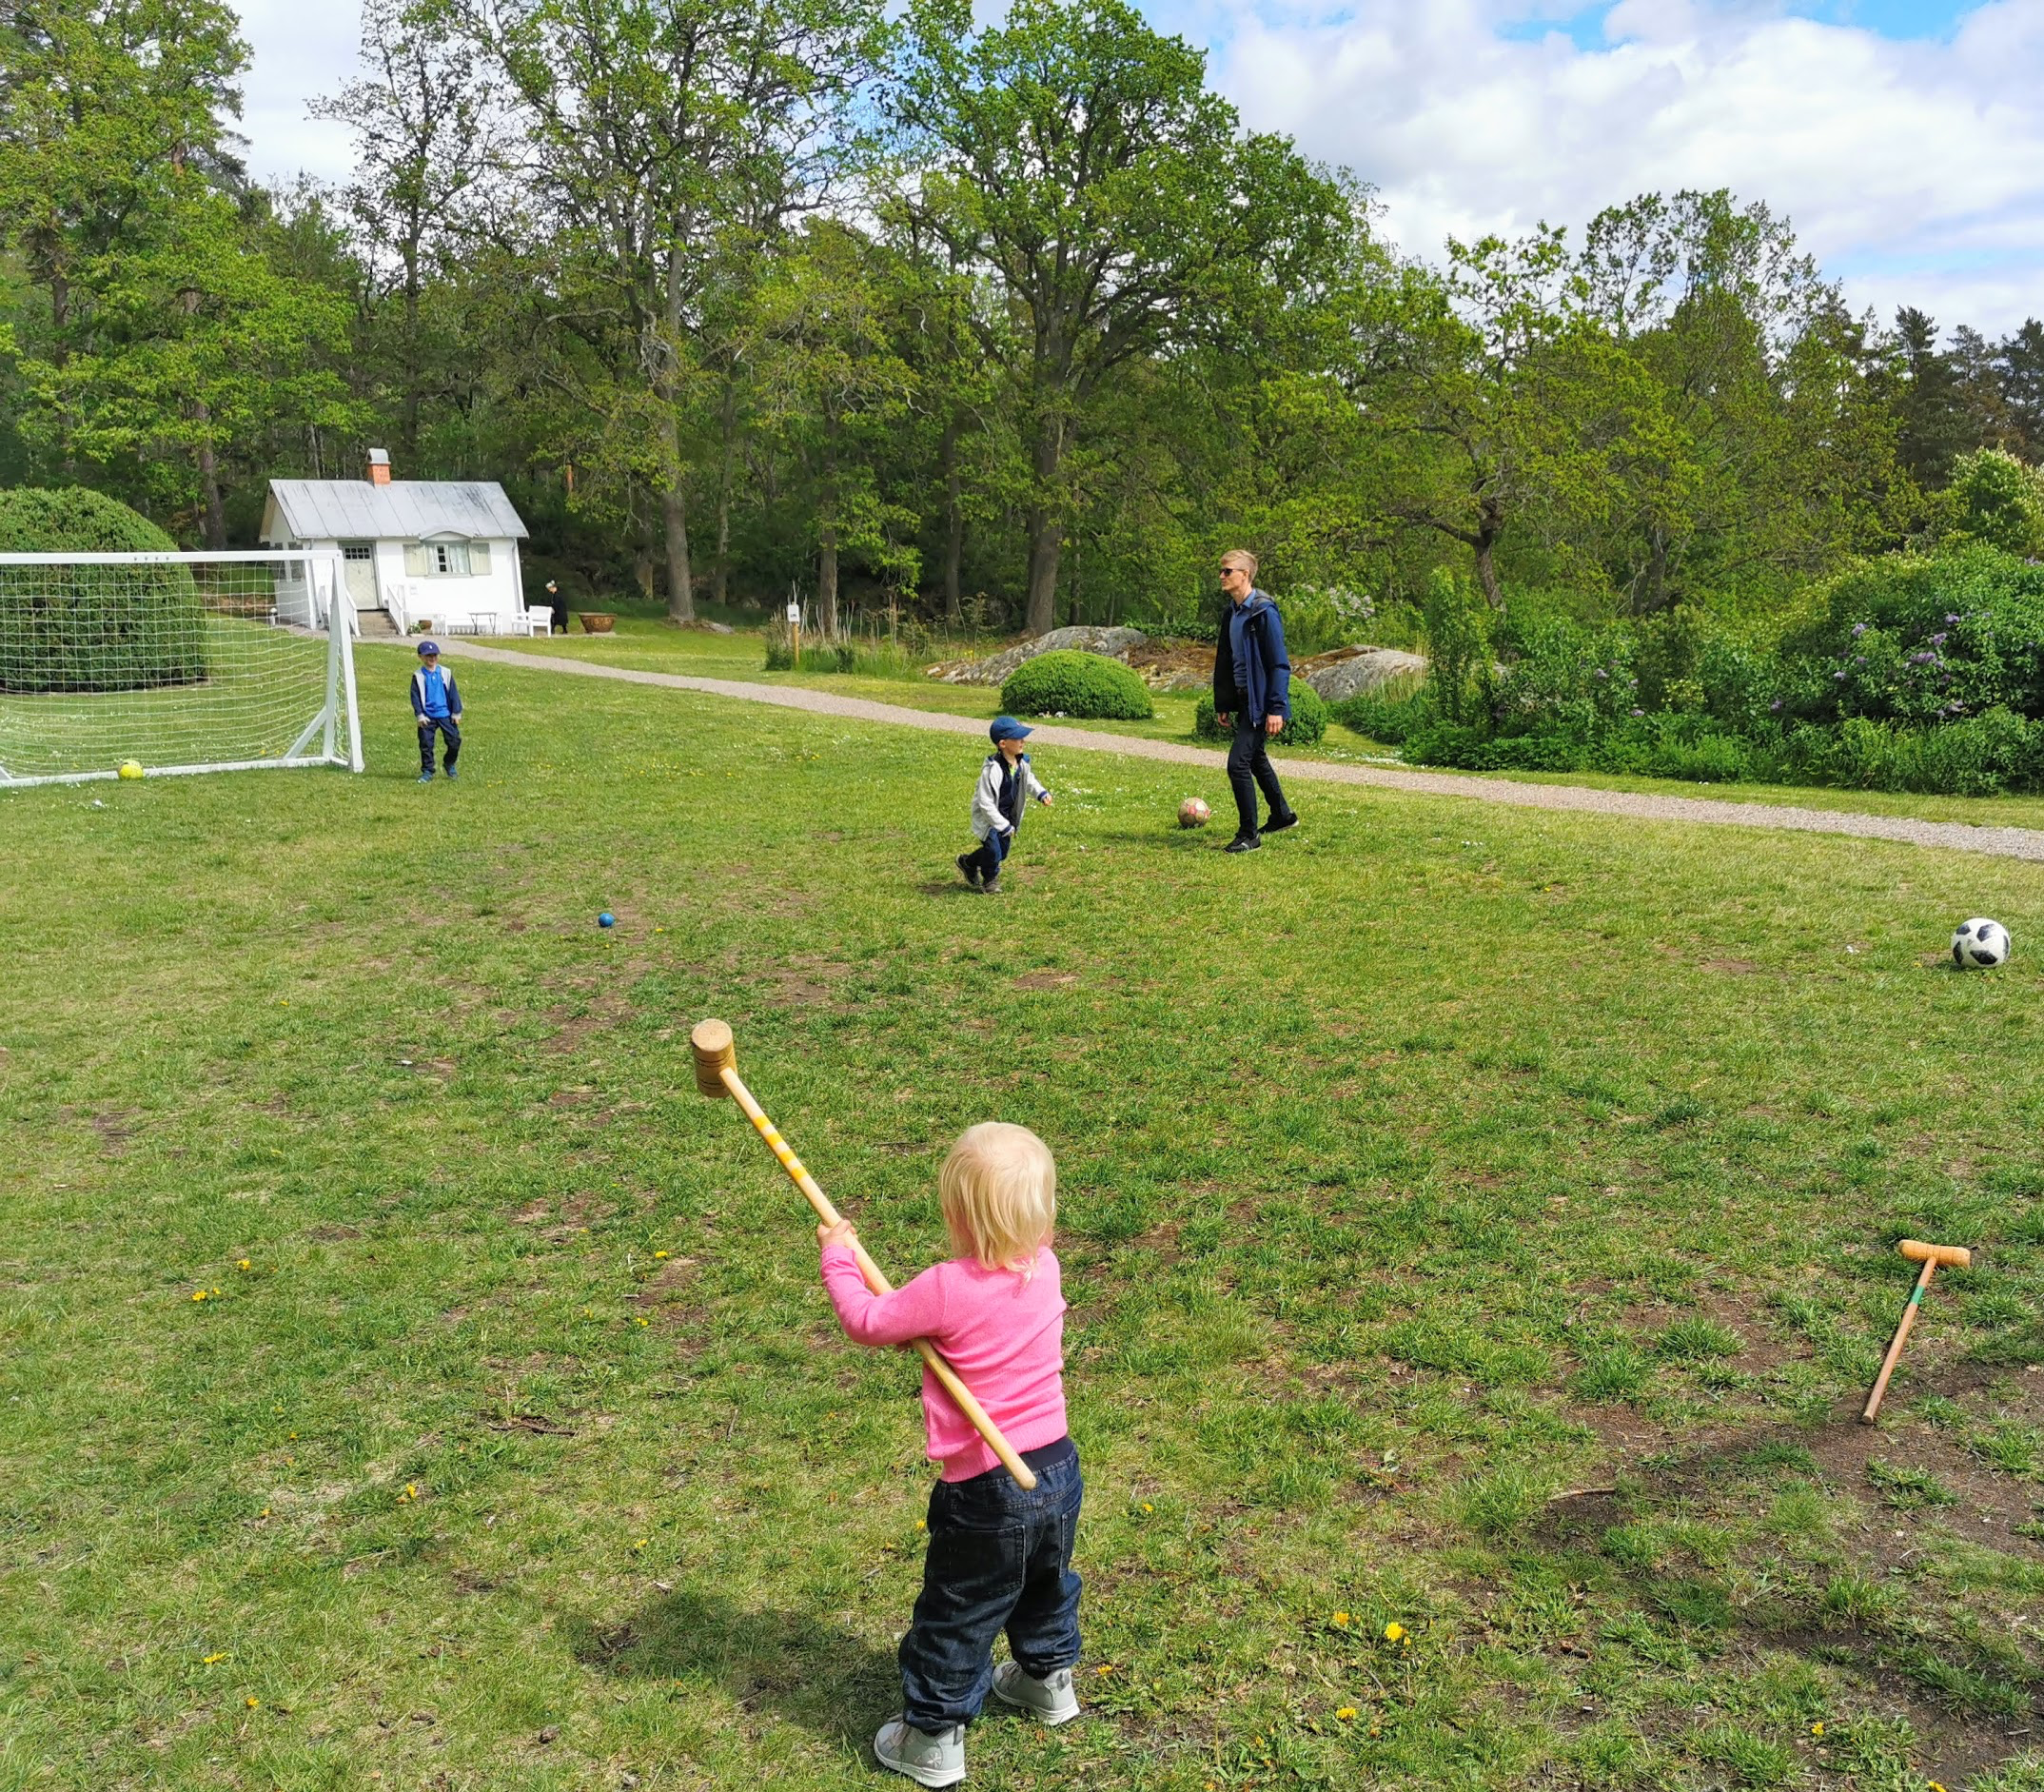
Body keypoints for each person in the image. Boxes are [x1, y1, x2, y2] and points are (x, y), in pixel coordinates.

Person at [817, 1123, 1082, 1789]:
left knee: (958, 1606)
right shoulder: (1044, 1266)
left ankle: (933, 1735)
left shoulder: (945, 1286)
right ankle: (1048, 1680)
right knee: (1043, 1582)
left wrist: (839, 1257)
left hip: (988, 1488)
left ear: (956, 1215)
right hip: (1056, 1467)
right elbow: (981, 1334)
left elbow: (869, 1322)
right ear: (1042, 1213)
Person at [1210, 549, 1300, 852]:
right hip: (1241, 697)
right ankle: (1282, 816)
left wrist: (1276, 707)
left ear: (1245, 575)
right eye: (1221, 571)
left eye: (1228, 571)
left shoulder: (1263, 612)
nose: (1222, 576)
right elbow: (1225, 660)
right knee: (1256, 757)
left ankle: (1249, 834)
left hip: (1259, 702)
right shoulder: (1232, 613)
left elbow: (1278, 664)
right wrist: (1223, 702)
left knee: (1238, 764)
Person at [956, 717, 1052, 895]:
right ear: (1002, 743)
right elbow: (985, 804)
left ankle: (968, 862)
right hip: (990, 818)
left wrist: (1041, 793)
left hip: (1007, 816)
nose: (1023, 741)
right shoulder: (992, 769)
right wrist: (1003, 826)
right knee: (993, 852)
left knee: (1002, 853)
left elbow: (1029, 781)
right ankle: (990, 881)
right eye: (1018, 738)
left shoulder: (1022, 764)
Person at [410, 641, 462, 782]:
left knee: (454, 741)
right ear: (421, 657)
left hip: (445, 714)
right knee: (426, 744)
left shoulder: (445, 673)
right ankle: (427, 770)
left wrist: (456, 712)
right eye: (428, 656)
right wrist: (420, 715)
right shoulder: (418, 676)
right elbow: (415, 697)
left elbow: (453, 694)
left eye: (434, 655)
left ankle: (449, 763)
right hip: (427, 717)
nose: (432, 658)